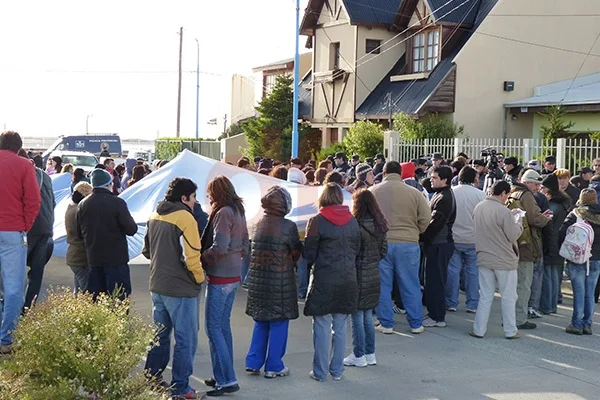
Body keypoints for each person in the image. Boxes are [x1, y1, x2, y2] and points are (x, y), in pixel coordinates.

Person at [142, 178, 206, 399]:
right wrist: (199, 278)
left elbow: (147, 251)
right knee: (185, 340)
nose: (195, 202)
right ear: (184, 198)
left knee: (159, 336)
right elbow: (192, 256)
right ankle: (181, 388)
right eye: (194, 197)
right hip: (180, 289)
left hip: (157, 284)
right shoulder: (186, 218)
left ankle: (152, 379)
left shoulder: (154, 215)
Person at [303, 183, 361, 382]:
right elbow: (357, 250)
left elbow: (309, 253)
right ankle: (337, 371)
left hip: (324, 278)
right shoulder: (353, 221)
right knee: (341, 325)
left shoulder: (317, 221)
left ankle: (320, 372)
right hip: (348, 278)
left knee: (321, 325)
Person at [245, 186, 302, 378]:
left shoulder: (258, 223)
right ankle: (274, 365)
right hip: (280, 282)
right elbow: (296, 253)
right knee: (278, 322)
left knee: (260, 321)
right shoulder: (288, 226)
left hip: (258, 281)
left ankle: (253, 362)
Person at [370, 161, 431, 334]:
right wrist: (416, 231)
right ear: (401, 173)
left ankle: (386, 323)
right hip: (409, 243)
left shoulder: (373, 191)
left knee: (383, 285)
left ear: (384, 172)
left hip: (382, 242)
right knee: (411, 284)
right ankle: (416, 323)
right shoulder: (415, 193)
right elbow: (426, 218)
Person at [201, 176, 248, 396]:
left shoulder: (222, 213)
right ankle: (222, 375)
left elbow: (219, 246)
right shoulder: (238, 211)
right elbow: (246, 243)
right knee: (223, 327)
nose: (208, 196)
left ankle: (227, 379)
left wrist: (202, 256)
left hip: (219, 276)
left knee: (213, 328)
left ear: (216, 193)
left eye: (210, 192)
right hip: (233, 275)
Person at [0, 131, 41, 354]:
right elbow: (33, 199)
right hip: (12, 230)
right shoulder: (25, 166)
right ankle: (6, 338)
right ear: (18, 147)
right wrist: (24, 225)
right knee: (14, 287)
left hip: (12, 227)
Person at [471, 180, 523, 339]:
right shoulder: (503, 211)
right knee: (508, 296)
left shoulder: (479, 207)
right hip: (504, 260)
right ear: (503, 193)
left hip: (484, 257)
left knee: (485, 295)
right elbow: (513, 234)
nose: (506, 199)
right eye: (506, 196)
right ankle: (510, 330)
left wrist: (510, 215)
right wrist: (518, 221)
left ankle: (478, 329)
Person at [77, 169, 138, 299]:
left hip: (93, 259)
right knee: (118, 300)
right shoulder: (117, 203)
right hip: (116, 260)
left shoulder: (82, 204)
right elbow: (131, 229)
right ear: (109, 184)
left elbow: (79, 234)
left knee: (97, 302)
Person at [343, 189, 387, 368]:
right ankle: (370, 353)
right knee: (367, 315)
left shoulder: (355, 225)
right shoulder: (381, 224)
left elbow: (351, 252)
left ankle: (358, 354)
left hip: (357, 274)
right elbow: (383, 251)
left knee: (357, 316)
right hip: (373, 274)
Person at [509, 169, 551, 330]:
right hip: (526, 245)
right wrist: (545, 218)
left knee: (514, 285)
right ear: (527, 183)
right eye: (535, 184)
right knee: (524, 285)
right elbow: (534, 218)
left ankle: (511, 316)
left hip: (515, 242)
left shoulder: (513, 193)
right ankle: (519, 319)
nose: (538, 187)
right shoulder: (526, 195)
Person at [18, 150, 56, 310]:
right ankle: (28, 308)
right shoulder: (44, 176)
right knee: (36, 273)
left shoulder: (21, 174)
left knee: (14, 270)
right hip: (46, 228)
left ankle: (11, 309)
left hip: (28, 228)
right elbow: (52, 202)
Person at [559, 189, 600, 335]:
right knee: (590, 292)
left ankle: (576, 323)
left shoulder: (576, 214)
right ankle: (587, 324)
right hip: (596, 258)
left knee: (579, 291)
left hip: (577, 257)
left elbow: (562, 233)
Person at [421, 166, 456, 328]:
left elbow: (435, 224)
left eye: (435, 178)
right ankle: (434, 313)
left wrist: (422, 237)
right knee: (433, 280)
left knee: (436, 281)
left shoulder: (445, 198)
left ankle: (437, 316)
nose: (431, 180)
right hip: (437, 243)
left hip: (440, 244)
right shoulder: (439, 194)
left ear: (444, 180)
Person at [447, 166, 484, 313]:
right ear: (474, 178)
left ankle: (451, 302)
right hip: (473, 239)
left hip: (454, 237)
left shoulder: (451, 192)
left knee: (453, 271)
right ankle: (472, 303)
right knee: (473, 272)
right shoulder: (480, 195)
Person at [539, 173, 571, 316]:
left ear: (548, 189)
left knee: (547, 275)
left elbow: (549, 228)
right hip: (560, 243)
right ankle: (552, 305)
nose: (541, 190)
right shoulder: (563, 204)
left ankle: (546, 305)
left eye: (543, 187)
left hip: (551, 243)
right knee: (554, 275)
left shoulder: (551, 206)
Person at [65, 182, 93, 293]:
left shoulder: (71, 208)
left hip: (74, 256)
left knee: (78, 290)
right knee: (86, 292)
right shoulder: (80, 211)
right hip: (81, 257)